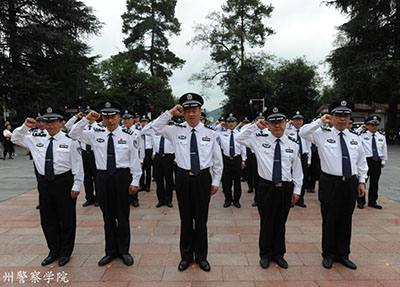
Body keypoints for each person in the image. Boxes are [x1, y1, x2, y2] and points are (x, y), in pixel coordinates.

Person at [152, 93, 223, 272]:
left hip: (203, 178)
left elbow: (218, 160)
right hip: (183, 177)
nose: (191, 114)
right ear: (183, 113)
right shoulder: (175, 130)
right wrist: (170, 112)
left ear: (200, 112)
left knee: (201, 219)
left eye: (195, 110)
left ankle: (201, 257)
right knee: (185, 219)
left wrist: (215, 181)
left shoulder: (210, 133)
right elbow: (156, 126)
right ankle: (185, 256)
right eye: (187, 111)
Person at [69, 101, 142, 267]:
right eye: (106, 117)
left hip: (122, 177)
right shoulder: (95, 133)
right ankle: (110, 252)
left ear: (119, 117)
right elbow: (73, 134)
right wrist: (86, 119)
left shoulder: (129, 134)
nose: (110, 121)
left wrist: (135, 180)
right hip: (103, 177)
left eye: (113, 117)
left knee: (122, 216)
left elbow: (135, 160)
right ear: (102, 117)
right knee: (107, 216)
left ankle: (124, 251)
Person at [300, 100, 368, 270]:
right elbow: (302, 132)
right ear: (332, 117)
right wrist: (320, 121)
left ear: (350, 118)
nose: (342, 119)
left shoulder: (355, 138)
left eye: (346, 115)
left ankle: (343, 254)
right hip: (330, 182)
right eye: (338, 115)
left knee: (346, 219)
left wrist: (361, 181)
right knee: (329, 219)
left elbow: (361, 162)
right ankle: (328, 254)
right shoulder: (322, 134)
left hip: (350, 183)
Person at [12, 107, 83, 267]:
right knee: (48, 219)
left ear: (61, 123)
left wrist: (77, 184)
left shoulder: (70, 139)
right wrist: (25, 126)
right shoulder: (35, 137)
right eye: (47, 121)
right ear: (42, 123)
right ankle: (53, 250)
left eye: (54, 122)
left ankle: (65, 252)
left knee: (67, 218)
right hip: (44, 183)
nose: (50, 125)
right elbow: (15, 138)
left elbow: (78, 164)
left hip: (64, 181)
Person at [237, 106, 302, 270]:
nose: (277, 126)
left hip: (285, 188)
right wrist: (255, 126)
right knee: (266, 222)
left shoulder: (293, 144)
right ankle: (265, 254)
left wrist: (297, 190)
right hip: (266, 187)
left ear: (286, 123)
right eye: (273, 122)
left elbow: (298, 170)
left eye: (280, 122)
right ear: (268, 124)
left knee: (281, 223)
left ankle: (279, 255)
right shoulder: (259, 139)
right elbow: (239, 137)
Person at [66, 108, 100, 207]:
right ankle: (89, 197)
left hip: (95, 154)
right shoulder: (80, 126)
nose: (89, 118)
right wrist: (77, 117)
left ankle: (98, 197)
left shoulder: (99, 127)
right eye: (87, 115)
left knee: (97, 177)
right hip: (84, 154)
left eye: (91, 116)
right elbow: (68, 127)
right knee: (86, 177)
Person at [356, 115, 388, 209]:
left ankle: (372, 201)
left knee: (375, 182)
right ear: (367, 125)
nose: (374, 127)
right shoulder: (362, 135)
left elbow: (384, 149)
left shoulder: (381, 136)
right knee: (362, 181)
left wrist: (384, 161)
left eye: (376, 125)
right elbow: (353, 134)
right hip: (365, 161)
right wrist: (361, 128)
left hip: (376, 160)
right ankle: (361, 201)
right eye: (371, 125)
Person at [216, 113, 246, 208]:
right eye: (228, 122)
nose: (231, 124)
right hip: (226, 159)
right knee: (226, 181)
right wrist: (219, 125)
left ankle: (236, 200)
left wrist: (243, 160)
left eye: (232, 122)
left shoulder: (240, 134)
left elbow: (243, 147)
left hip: (237, 159)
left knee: (237, 181)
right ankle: (228, 199)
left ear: (236, 123)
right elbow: (214, 133)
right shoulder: (222, 134)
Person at [285, 111, 311, 208]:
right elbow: (283, 130)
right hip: (292, 155)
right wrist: (288, 124)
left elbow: (308, 146)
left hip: (303, 156)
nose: (298, 122)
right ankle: (291, 198)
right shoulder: (288, 131)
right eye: (296, 120)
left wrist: (309, 160)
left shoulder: (305, 132)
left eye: (300, 120)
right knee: (291, 177)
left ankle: (301, 199)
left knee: (302, 178)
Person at [122, 110, 143, 208]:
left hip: (135, 158)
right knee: (125, 179)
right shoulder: (120, 131)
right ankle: (126, 198)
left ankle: (134, 199)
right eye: (124, 119)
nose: (126, 121)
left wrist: (141, 159)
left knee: (134, 178)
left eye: (128, 119)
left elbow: (141, 146)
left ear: (132, 119)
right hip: (124, 159)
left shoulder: (137, 132)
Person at [138, 115, 153, 192]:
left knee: (148, 169)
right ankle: (141, 185)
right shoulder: (138, 130)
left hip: (148, 151)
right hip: (140, 151)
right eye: (142, 122)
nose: (143, 123)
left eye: (145, 122)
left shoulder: (151, 131)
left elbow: (154, 142)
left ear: (148, 122)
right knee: (141, 169)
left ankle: (148, 185)